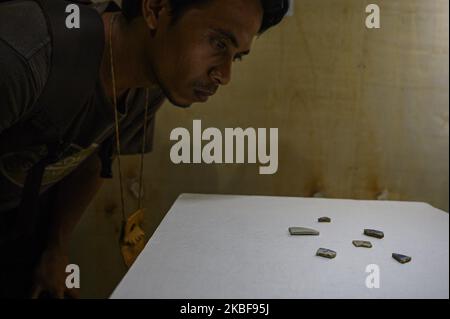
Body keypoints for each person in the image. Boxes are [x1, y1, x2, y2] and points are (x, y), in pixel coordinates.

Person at [0, 0, 289, 298]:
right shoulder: (23, 58)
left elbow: (94, 158)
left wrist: (56, 246)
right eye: (218, 42)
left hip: (24, 219)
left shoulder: (151, 84)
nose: (224, 76)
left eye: (236, 57)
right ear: (155, 10)